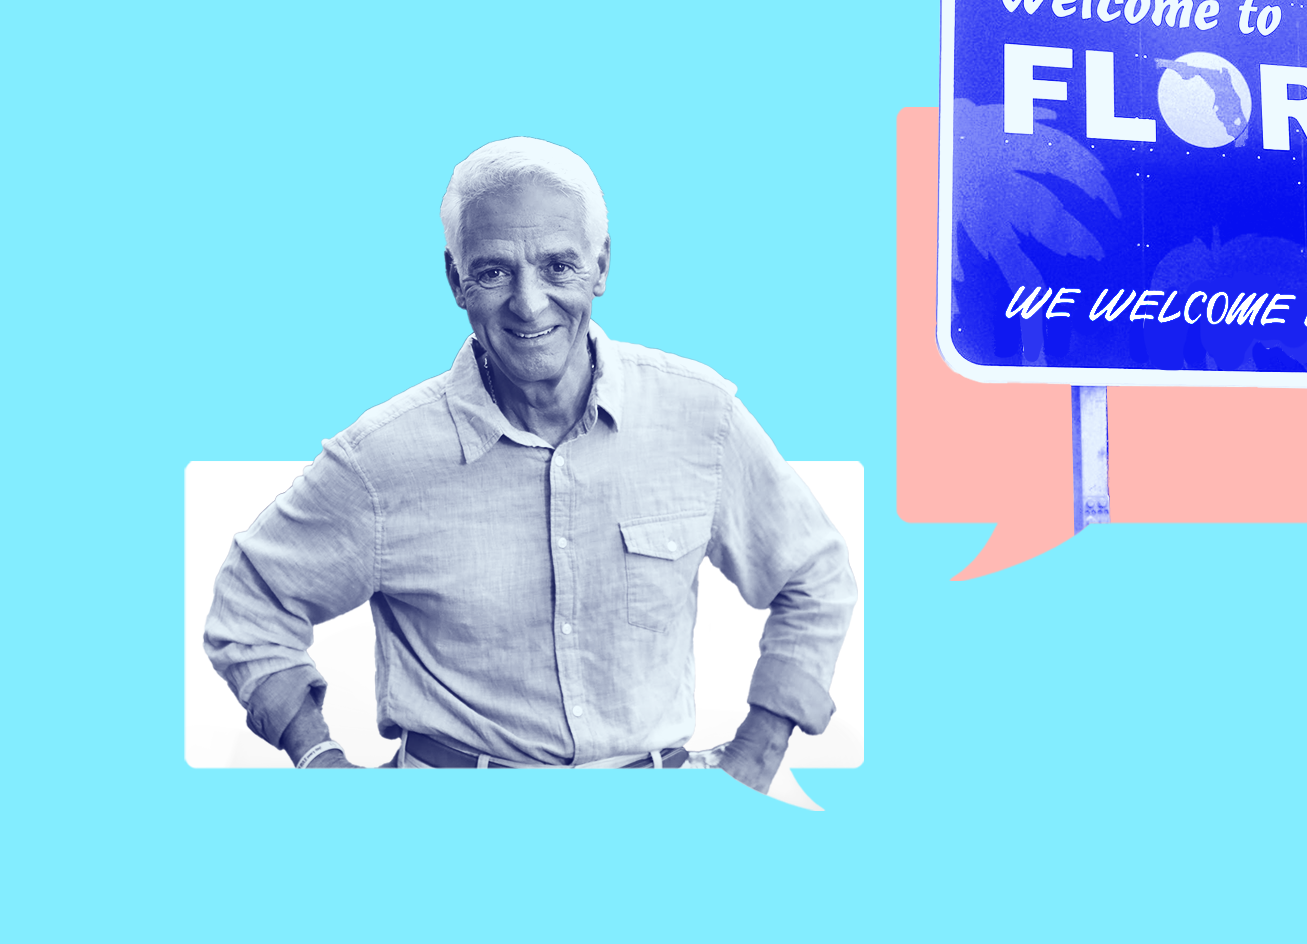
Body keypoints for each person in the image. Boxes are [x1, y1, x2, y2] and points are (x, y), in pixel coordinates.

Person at [203, 137, 854, 788]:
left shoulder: (700, 418)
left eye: (557, 267)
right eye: (492, 272)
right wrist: (317, 755)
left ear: (601, 267)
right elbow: (248, 605)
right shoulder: (381, 460)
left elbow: (814, 577)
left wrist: (758, 754)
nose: (529, 303)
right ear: (456, 281)